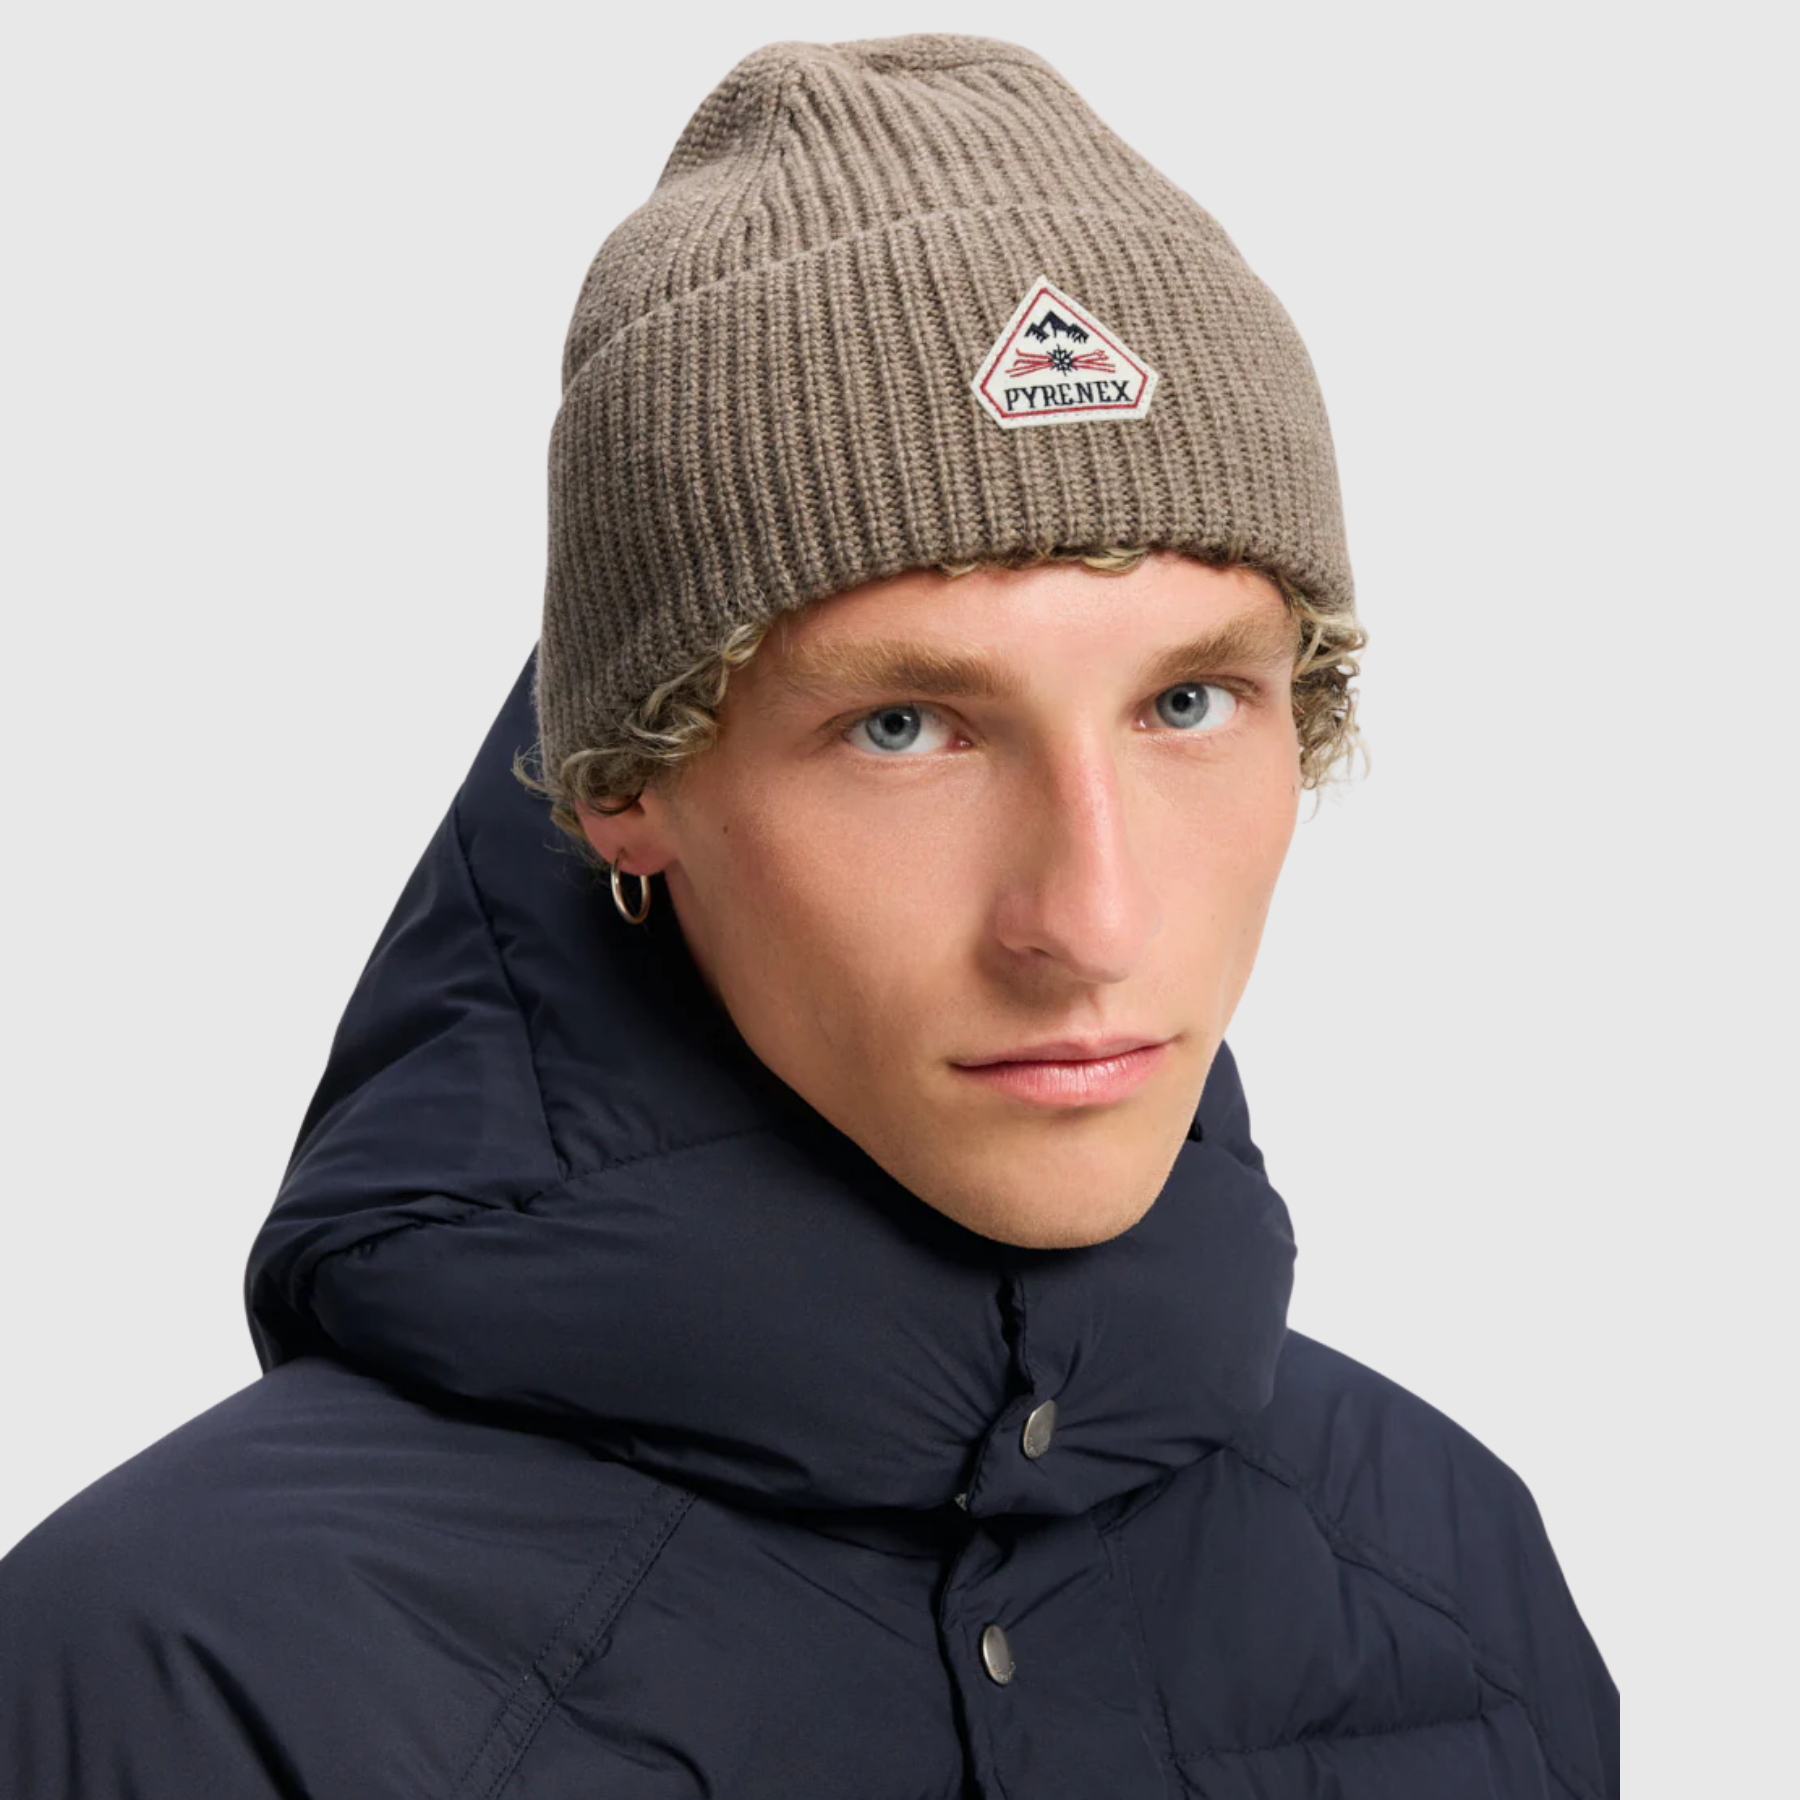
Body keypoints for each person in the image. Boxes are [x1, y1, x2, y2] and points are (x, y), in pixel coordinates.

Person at [0, 31, 1618, 1799]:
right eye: (905, 727)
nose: (1091, 920)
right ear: (626, 781)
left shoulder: (1459, 1575)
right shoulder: (181, 1673)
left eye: (1188, 702)